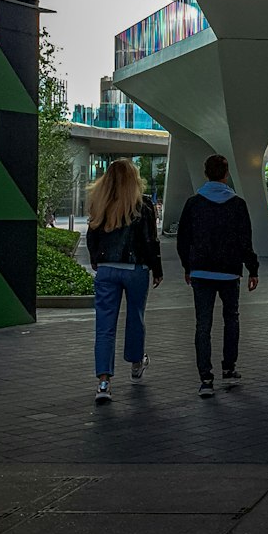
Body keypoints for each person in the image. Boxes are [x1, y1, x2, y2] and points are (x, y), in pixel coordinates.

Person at [176, 154, 259, 398]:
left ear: (205, 173)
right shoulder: (237, 204)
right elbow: (246, 241)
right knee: (231, 319)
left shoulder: (194, 203)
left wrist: (187, 267)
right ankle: (229, 367)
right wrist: (252, 268)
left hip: (201, 271)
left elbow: (183, 239)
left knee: (203, 324)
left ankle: (205, 378)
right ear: (226, 174)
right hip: (229, 272)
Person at [86, 158, 163, 404]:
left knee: (105, 327)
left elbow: (92, 235)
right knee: (135, 317)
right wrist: (157, 268)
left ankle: (104, 382)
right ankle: (136, 364)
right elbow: (150, 240)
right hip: (135, 268)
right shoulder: (144, 205)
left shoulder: (100, 203)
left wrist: (96, 260)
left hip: (107, 269)